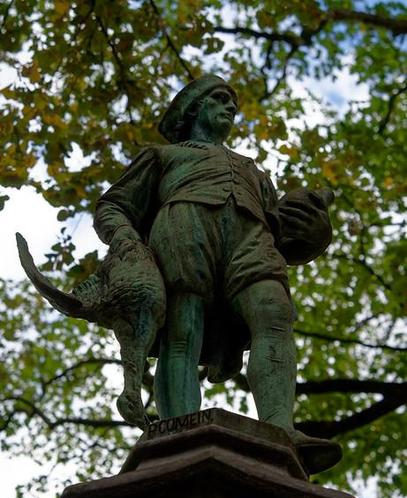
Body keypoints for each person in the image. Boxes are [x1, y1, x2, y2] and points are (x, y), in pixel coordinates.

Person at [93, 75, 341, 473]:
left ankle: (281, 427)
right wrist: (126, 240)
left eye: (233, 104)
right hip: (184, 228)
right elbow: (113, 206)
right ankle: (178, 431)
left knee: (275, 314)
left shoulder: (253, 171)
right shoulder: (162, 155)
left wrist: (313, 229)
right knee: (183, 329)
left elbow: (284, 231)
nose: (230, 108)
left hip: (252, 236)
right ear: (193, 108)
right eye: (220, 99)